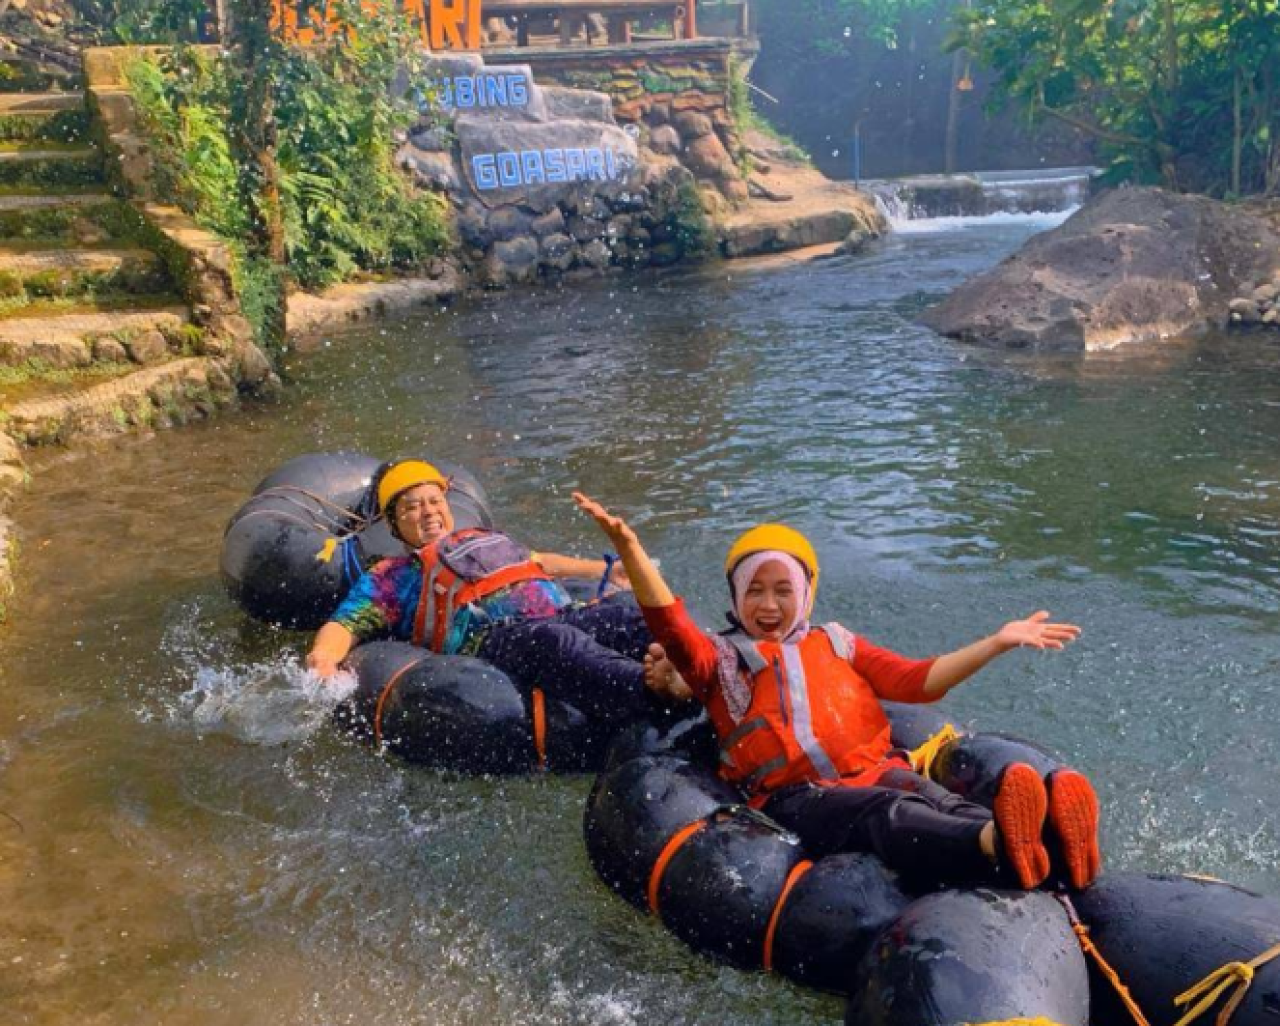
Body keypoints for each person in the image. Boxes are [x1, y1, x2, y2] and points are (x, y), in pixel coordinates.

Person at [574, 493, 1102, 891]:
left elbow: (918, 681)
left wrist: (996, 642)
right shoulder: (721, 660)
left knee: (932, 797)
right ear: (736, 596)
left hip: (880, 766)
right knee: (883, 814)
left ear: (805, 595)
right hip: (798, 798)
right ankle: (998, 846)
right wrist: (631, 550)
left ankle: (1052, 846)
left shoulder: (839, 643)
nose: (769, 603)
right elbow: (672, 627)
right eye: (754, 589)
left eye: (784, 590)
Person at [306, 461, 653, 727]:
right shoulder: (392, 575)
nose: (428, 512)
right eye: (412, 507)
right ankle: (656, 694)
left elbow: (538, 563)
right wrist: (323, 656)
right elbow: (347, 622)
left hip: (563, 614)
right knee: (555, 640)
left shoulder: (482, 539)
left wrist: (606, 570)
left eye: (434, 501)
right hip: (495, 639)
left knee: (626, 616)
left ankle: (702, 665)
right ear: (394, 523)